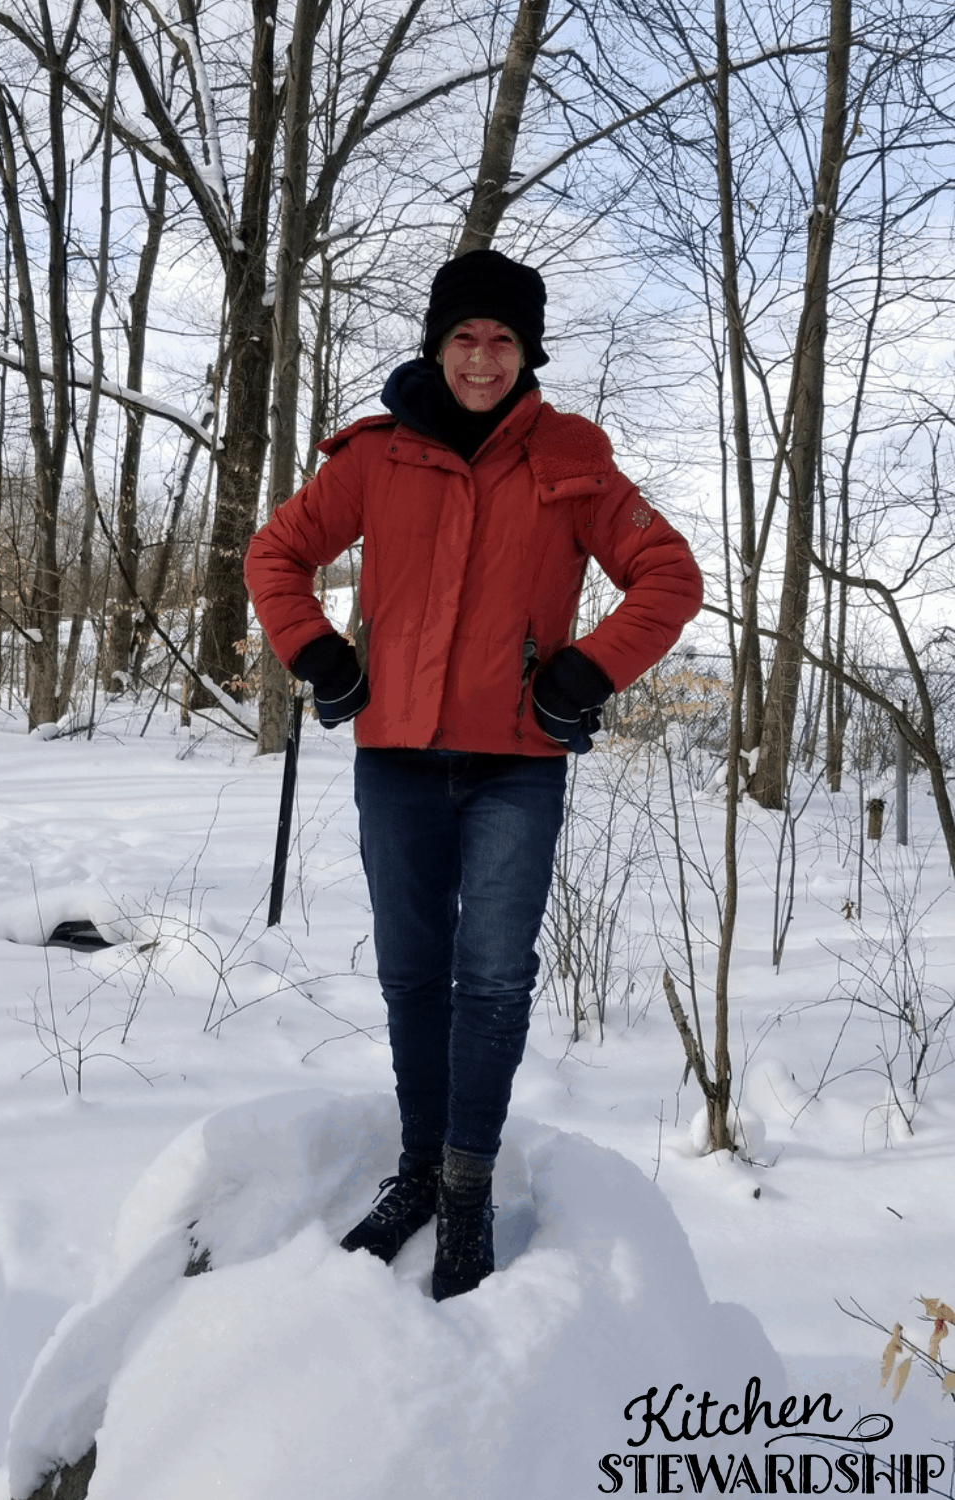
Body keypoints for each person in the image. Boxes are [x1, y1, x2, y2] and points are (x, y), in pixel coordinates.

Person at [244, 248, 703, 1301]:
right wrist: (317, 652)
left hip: (515, 767)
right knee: (412, 974)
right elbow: (275, 554)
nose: (482, 358)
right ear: (437, 344)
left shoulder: (571, 455)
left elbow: (667, 575)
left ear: (525, 350)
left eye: (502, 339)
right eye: (464, 337)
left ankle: (468, 1183)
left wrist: (585, 671)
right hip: (396, 759)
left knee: (491, 978)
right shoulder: (376, 456)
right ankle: (417, 1170)